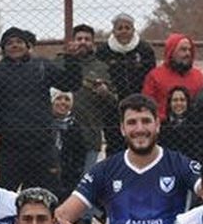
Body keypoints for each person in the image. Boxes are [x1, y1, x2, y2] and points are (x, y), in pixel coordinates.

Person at [55, 94, 201, 224]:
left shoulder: (179, 164)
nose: (139, 129)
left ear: (157, 124)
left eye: (146, 121)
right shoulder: (105, 170)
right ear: (122, 129)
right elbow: (63, 214)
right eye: (132, 122)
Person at [0, 27, 82, 191]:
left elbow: (70, 83)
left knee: (47, 193)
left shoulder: (42, 66)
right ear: (3, 48)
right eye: (9, 43)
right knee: (4, 193)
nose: (15, 46)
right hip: (9, 146)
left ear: (28, 46)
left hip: (41, 144)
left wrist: (72, 59)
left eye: (19, 42)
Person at [96, 13, 156, 156]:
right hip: (112, 108)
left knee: (140, 143)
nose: (123, 31)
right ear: (113, 31)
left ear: (133, 30)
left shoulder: (144, 50)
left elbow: (151, 77)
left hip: (139, 105)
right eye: (120, 28)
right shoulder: (104, 51)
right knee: (115, 145)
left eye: (127, 28)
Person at [55, 24, 117, 163]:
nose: (83, 42)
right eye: (79, 38)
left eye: (87, 39)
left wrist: (105, 93)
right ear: (72, 41)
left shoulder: (102, 68)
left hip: (90, 135)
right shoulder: (59, 63)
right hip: (60, 135)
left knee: (87, 181)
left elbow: (114, 101)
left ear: (93, 43)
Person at [141, 33, 203, 121]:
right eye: (183, 50)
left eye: (190, 50)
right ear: (171, 52)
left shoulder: (199, 77)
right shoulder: (155, 76)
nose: (188, 53)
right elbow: (146, 106)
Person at [50, 89, 88, 203]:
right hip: (45, 175)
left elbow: (80, 153)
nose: (63, 102)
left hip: (68, 177)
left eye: (67, 99)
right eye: (58, 98)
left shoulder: (75, 125)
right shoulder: (42, 124)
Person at [159, 86, 203, 162]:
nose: (179, 103)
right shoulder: (163, 125)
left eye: (182, 100)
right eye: (175, 100)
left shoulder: (197, 124)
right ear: (169, 103)